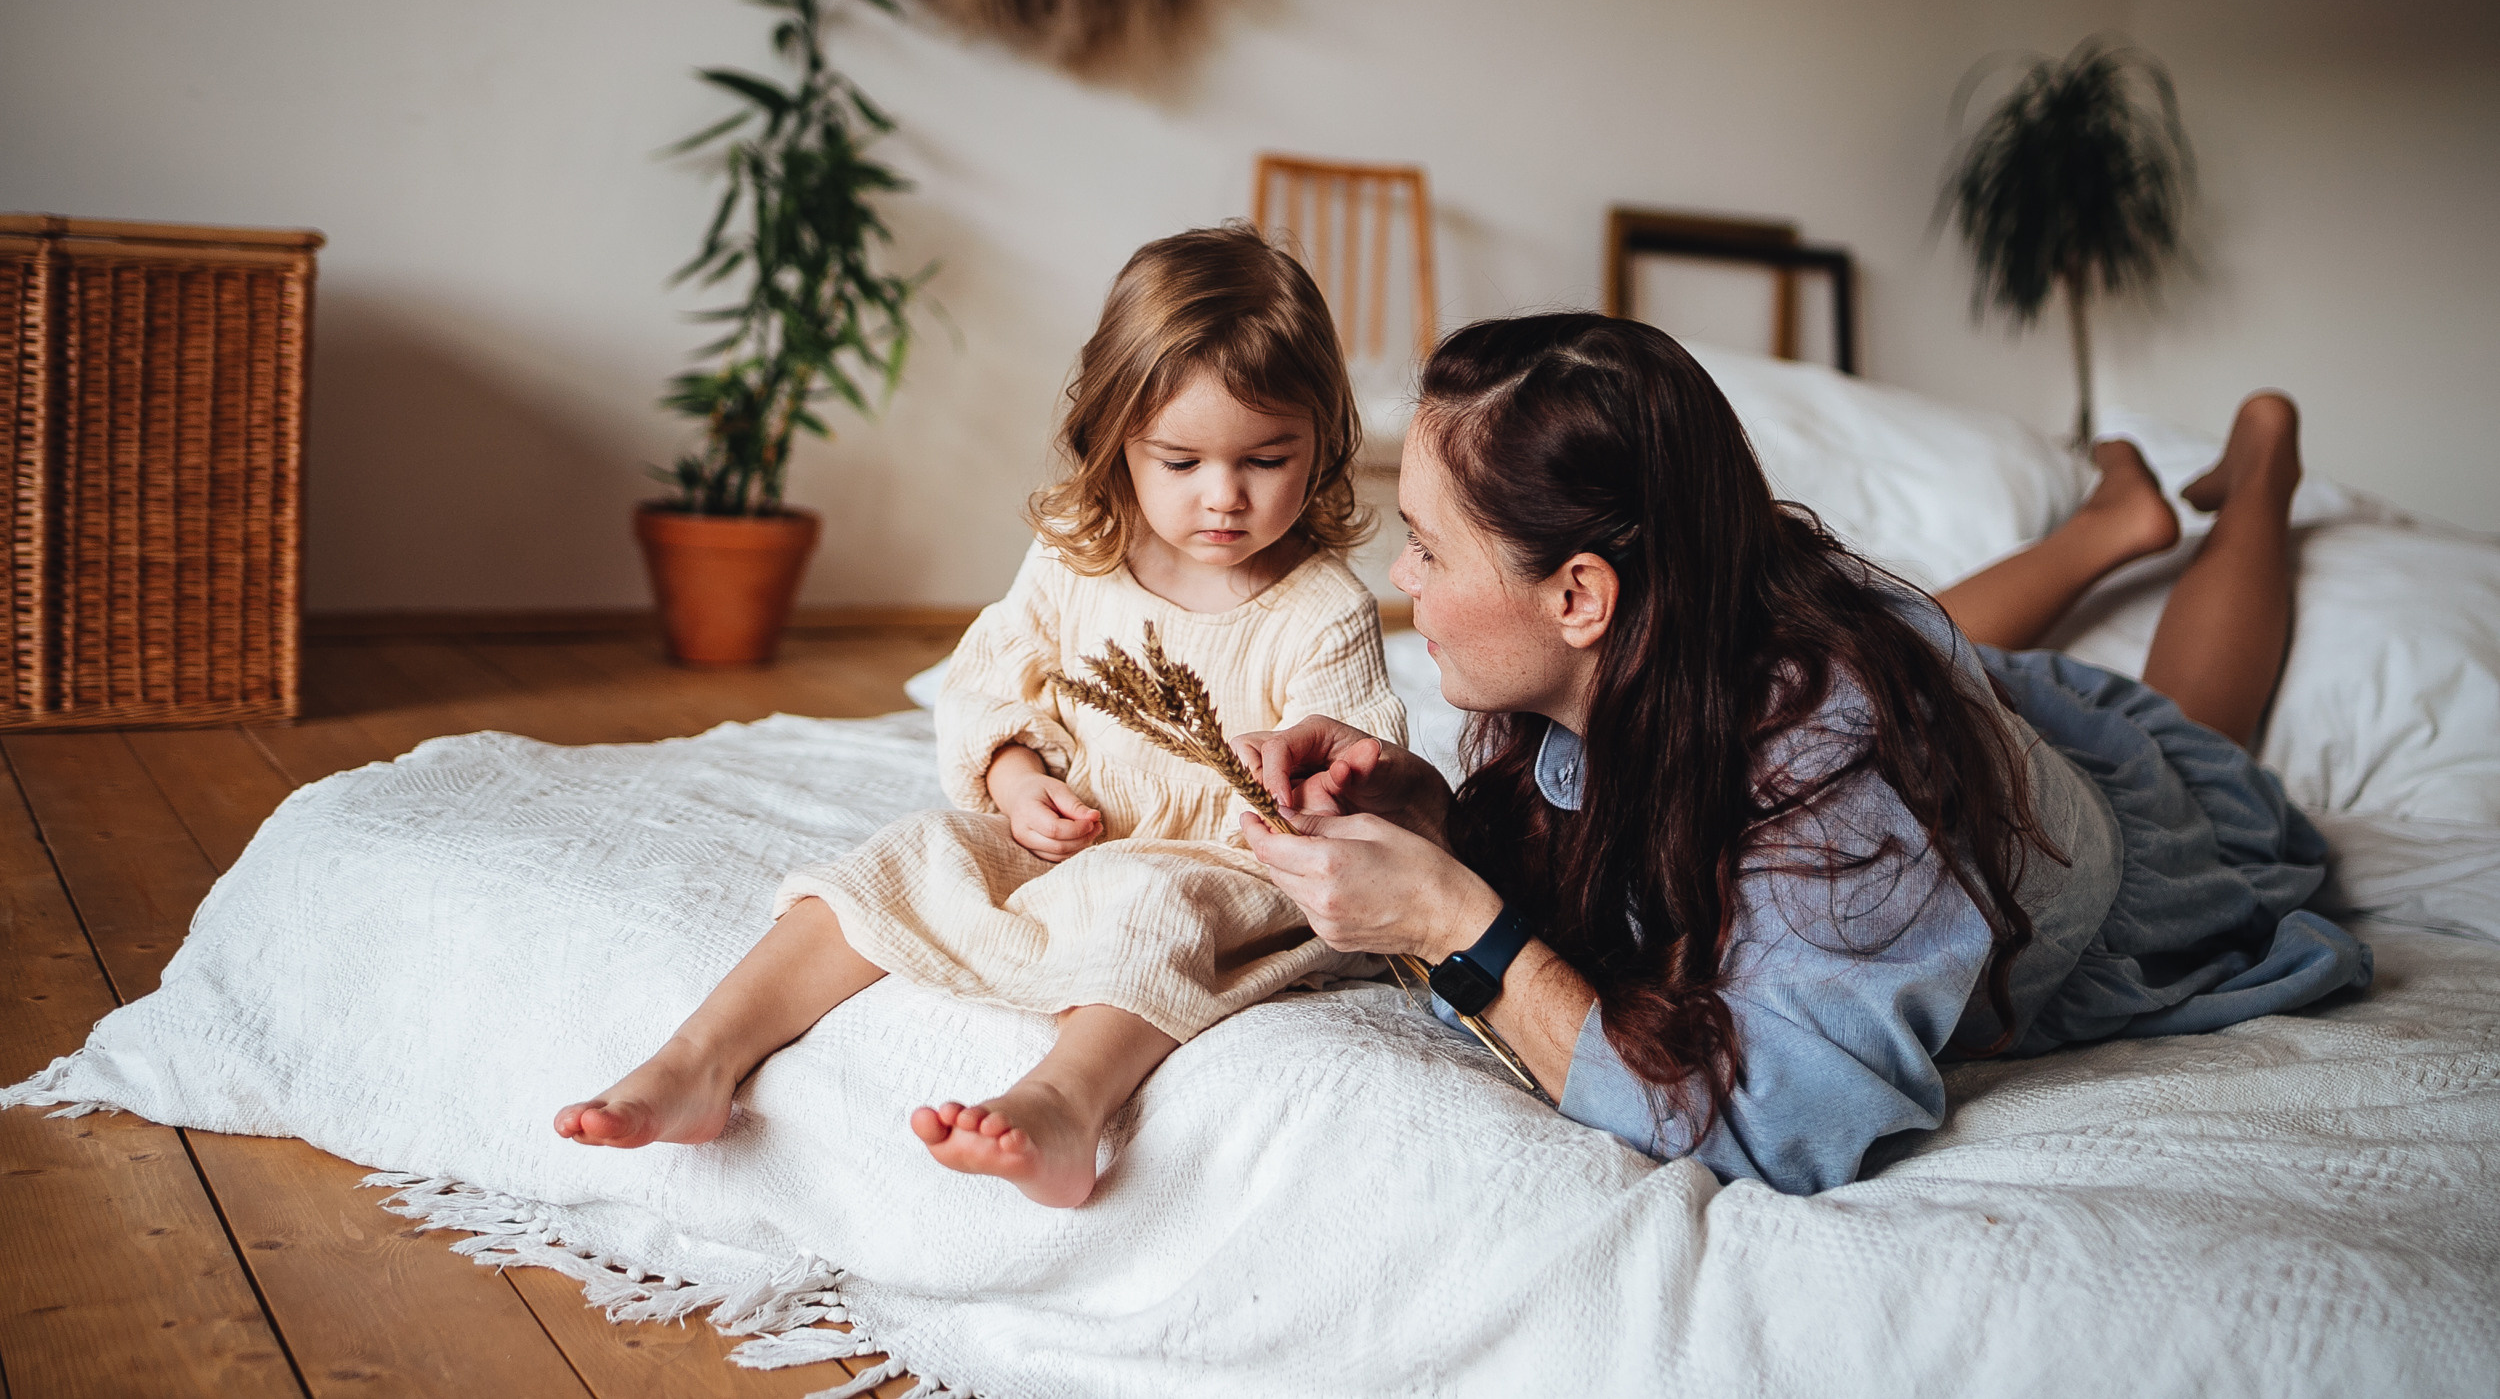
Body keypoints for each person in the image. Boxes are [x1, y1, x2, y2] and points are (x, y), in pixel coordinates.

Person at [1238, 313, 2370, 1196]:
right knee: (1932, 644)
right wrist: (1432, 815)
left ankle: (2262, 464)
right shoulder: (1669, 620)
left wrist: (1455, 923)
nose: (1403, 581)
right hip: (1913, 700)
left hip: (2075, 824)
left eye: (1428, 547)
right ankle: (2111, 523)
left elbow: (1773, 1119)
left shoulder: (1844, 779)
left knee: (2188, 719)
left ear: (1581, 594)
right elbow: (1600, 852)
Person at [556, 226, 1405, 1207]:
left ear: (1323, 442)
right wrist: (1016, 778)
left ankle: (1060, 1106)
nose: (1224, 496)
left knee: (1151, 906)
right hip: (1066, 840)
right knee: (907, 851)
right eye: (1180, 460)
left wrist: (1315, 770)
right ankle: (699, 1058)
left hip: (1221, 865)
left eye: (1267, 457)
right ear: (1114, 437)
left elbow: (1357, 760)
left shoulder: (1323, 606)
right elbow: (987, 683)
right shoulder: (1074, 556)